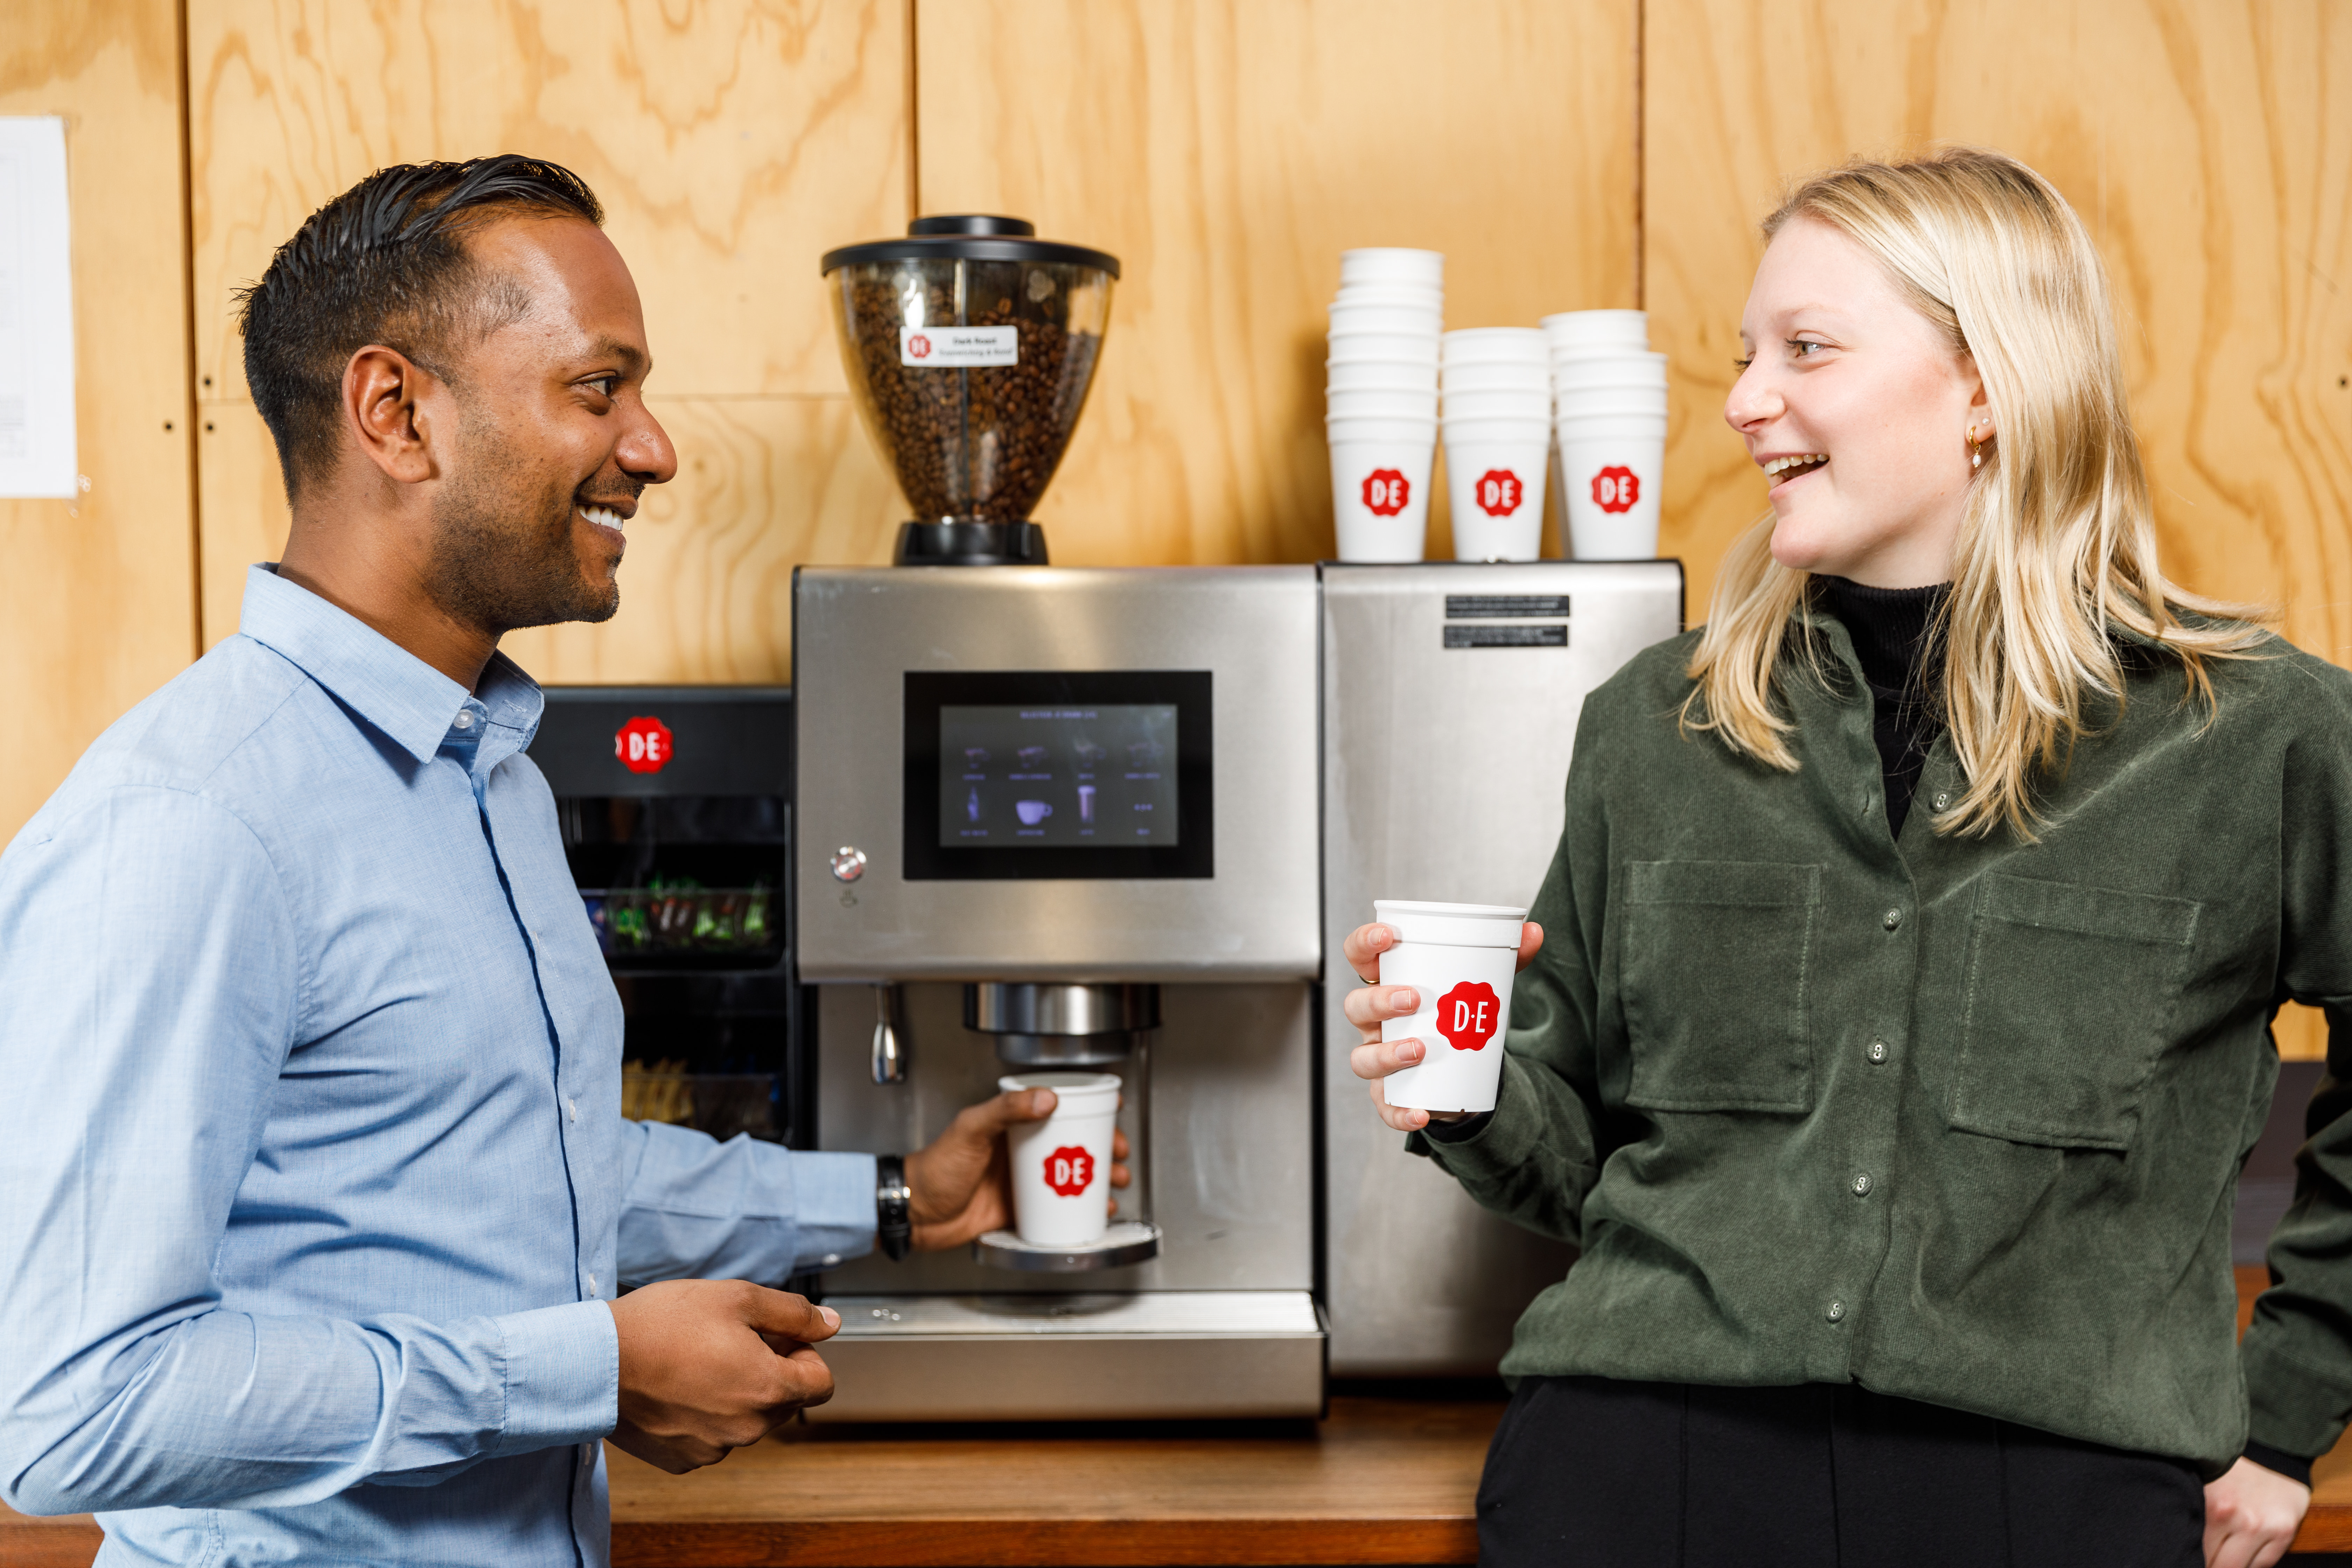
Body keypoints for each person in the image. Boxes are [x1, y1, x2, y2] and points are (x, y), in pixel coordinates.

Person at [0, 155, 1124, 1567]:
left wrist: (891, 1196)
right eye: (601, 390)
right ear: (397, 415)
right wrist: (587, 1374)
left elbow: (525, 1159)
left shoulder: (493, 775)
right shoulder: (188, 821)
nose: (653, 448)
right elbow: (70, 1406)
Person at [1346, 147, 2340, 1568]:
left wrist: (2292, 1403)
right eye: (1748, 354)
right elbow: (1582, 1171)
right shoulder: (1658, 728)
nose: (1748, 400)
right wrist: (1468, 1082)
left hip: (2051, 1487)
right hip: (1640, 1473)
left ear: (1992, 383)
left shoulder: (2255, 737)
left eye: (1806, 348)